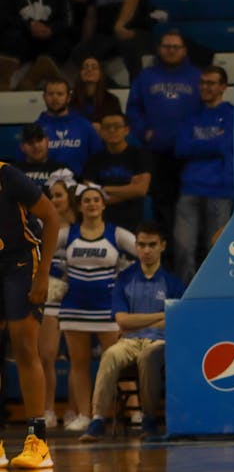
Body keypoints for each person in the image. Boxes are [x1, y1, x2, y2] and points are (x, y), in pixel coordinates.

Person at [79, 221, 184, 441]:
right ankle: (97, 420)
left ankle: (148, 419)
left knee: (148, 356)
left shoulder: (172, 282)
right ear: (136, 246)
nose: (146, 250)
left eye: (152, 245)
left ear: (162, 246)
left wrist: (138, 321)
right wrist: (159, 315)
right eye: (142, 245)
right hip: (129, 340)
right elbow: (122, 321)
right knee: (110, 355)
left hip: (159, 342)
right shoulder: (125, 279)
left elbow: (175, 321)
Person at [57, 183, 137, 432]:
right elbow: (42, 248)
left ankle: (134, 412)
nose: (92, 204)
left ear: (103, 205)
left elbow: (145, 252)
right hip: (74, 309)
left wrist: (125, 279)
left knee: (117, 362)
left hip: (106, 309)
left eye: (96, 200)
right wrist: (57, 276)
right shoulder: (67, 234)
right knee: (78, 364)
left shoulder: (116, 234)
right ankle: (85, 415)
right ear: (80, 206)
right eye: (87, 201)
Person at [0, 161, 61, 469]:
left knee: (24, 346)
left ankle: (37, 442)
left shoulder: (7, 175)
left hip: (21, 262)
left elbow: (52, 217)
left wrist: (44, 274)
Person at [126, 31, 201, 249]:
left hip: (188, 154)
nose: (171, 50)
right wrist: (143, 132)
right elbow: (133, 108)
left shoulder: (196, 76)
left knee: (187, 206)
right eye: (167, 46)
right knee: (161, 206)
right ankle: (162, 251)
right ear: (159, 49)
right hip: (156, 152)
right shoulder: (146, 77)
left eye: (175, 47)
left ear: (184, 50)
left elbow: (205, 109)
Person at [173, 65, 234, 284]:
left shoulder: (231, 114)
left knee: (216, 249)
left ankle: (214, 291)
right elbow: (181, 148)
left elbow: (225, 145)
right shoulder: (191, 116)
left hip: (220, 189)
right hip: (190, 188)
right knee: (183, 247)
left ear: (223, 87)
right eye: (202, 83)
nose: (205, 87)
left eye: (211, 83)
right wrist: (213, 142)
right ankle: (185, 295)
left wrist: (198, 144)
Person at [39, 171, 78, 429]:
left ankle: (74, 410)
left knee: (78, 357)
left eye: (59, 196)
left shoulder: (83, 224)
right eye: (51, 196)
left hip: (77, 295)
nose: (54, 200)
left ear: (70, 197)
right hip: (51, 295)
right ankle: (47, 408)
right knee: (46, 355)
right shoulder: (41, 225)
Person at [0, 0, 72, 89]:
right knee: (11, 37)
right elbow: (4, 16)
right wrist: (29, 25)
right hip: (21, 37)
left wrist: (51, 29)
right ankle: (5, 78)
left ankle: (31, 79)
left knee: (63, 43)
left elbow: (65, 19)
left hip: (47, 37)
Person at [82, 112, 152, 232]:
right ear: (101, 132)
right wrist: (129, 190)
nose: (112, 130)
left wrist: (107, 189)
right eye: (107, 127)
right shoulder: (94, 159)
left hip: (134, 222)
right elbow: (90, 193)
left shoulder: (139, 155)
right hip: (103, 223)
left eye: (117, 126)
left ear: (126, 130)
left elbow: (141, 190)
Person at [35, 77, 102, 176]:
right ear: (44, 97)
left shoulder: (84, 125)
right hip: (45, 185)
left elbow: (98, 158)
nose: (55, 98)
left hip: (80, 184)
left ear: (68, 97)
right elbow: (24, 164)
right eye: (51, 94)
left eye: (60, 94)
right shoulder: (35, 128)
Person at [69, 56, 123, 130]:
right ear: (80, 73)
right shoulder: (70, 100)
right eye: (85, 67)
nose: (89, 70)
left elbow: (117, 125)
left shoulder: (112, 100)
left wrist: (102, 127)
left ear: (101, 73)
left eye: (94, 67)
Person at [13, 123, 69, 187]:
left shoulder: (62, 171)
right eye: (30, 142)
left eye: (39, 140)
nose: (36, 146)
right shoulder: (13, 172)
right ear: (22, 147)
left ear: (47, 142)